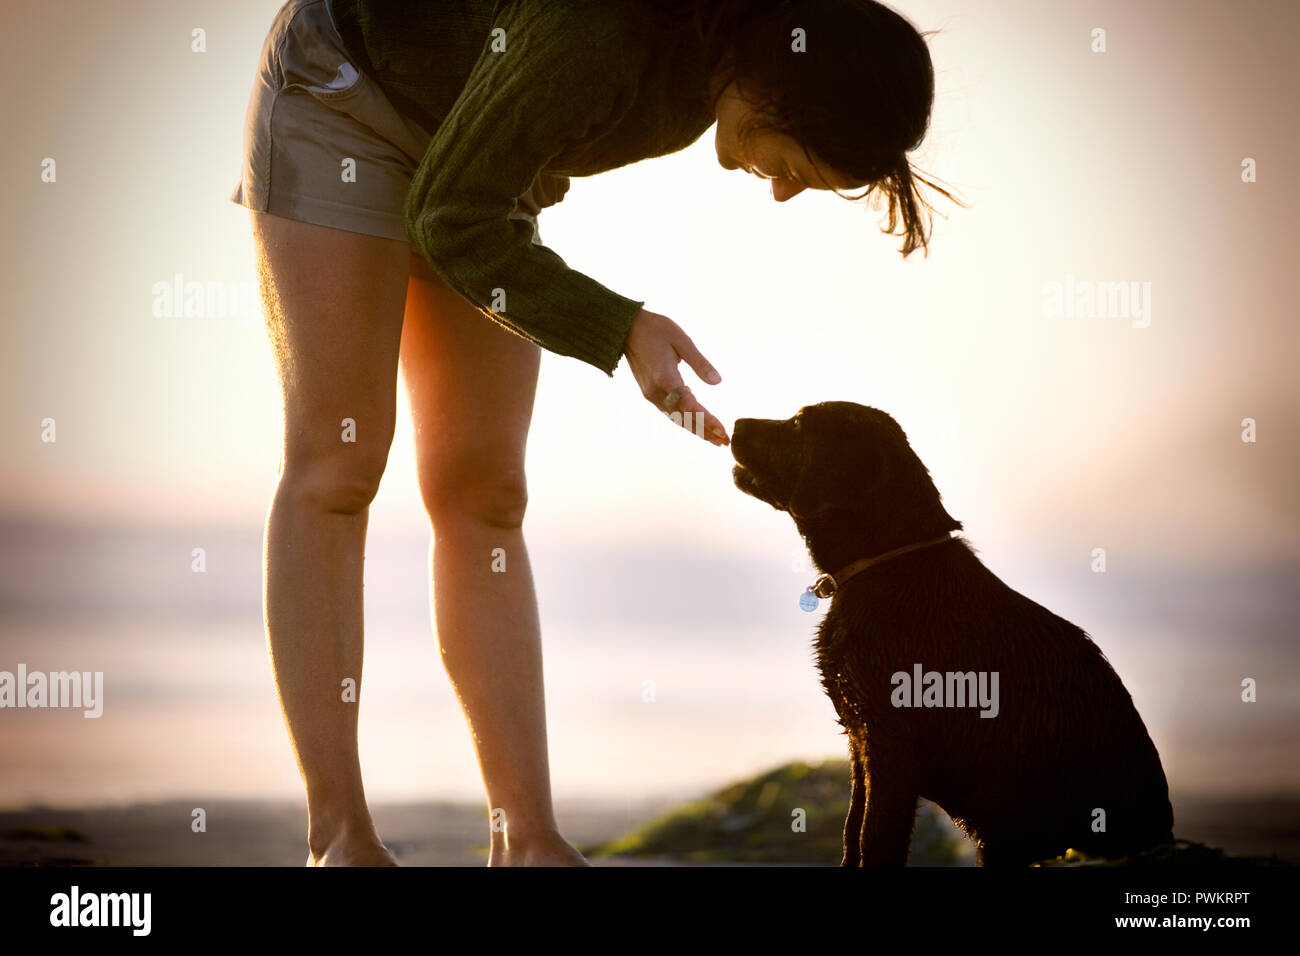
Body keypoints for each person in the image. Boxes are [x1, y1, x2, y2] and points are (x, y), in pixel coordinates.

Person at [229, 0, 955, 866]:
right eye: (798, 166)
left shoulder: (707, 72)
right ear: (784, 89)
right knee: (338, 466)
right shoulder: (603, 33)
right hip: (350, 104)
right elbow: (449, 217)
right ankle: (339, 838)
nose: (784, 189)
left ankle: (527, 840)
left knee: (486, 492)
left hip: (476, 169)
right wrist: (617, 327)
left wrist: (613, 327)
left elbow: (469, 194)